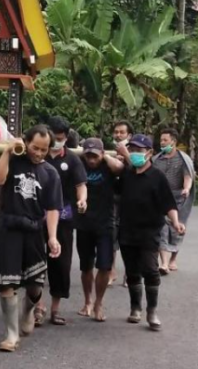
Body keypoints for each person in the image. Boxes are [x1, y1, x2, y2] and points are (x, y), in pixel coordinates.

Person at [0, 125, 62, 352]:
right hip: (8, 227)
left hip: (33, 230)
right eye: (35, 148)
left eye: (43, 149)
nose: (38, 153)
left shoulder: (50, 173)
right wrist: (6, 152)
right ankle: (11, 335)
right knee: (7, 282)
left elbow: (52, 208)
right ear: (26, 142)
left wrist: (52, 237)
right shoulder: (14, 160)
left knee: (34, 286)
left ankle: (29, 309)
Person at [115, 134, 185, 331]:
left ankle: (152, 311)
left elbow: (169, 203)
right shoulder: (127, 174)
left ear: (149, 153)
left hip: (149, 232)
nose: (136, 153)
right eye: (133, 150)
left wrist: (176, 222)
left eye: (139, 150)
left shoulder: (157, 177)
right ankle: (135, 308)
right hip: (127, 231)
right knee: (132, 272)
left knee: (151, 270)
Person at [42, 116, 87, 326]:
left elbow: (81, 184)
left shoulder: (72, 159)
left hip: (64, 217)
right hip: (35, 216)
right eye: (53, 137)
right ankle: (36, 307)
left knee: (60, 262)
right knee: (35, 261)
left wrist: (82, 200)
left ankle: (55, 308)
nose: (56, 141)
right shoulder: (36, 156)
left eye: (59, 138)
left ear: (66, 138)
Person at [75, 138, 124, 322]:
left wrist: (106, 156)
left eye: (94, 155)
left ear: (101, 154)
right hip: (84, 223)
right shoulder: (79, 164)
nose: (91, 159)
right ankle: (87, 301)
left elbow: (120, 168)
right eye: (88, 155)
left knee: (104, 266)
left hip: (105, 223)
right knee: (86, 266)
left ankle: (99, 302)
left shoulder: (108, 166)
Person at [153, 128, 194, 274]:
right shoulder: (157, 160)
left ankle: (173, 259)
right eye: (161, 140)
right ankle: (163, 263)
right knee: (162, 228)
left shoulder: (183, 159)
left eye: (165, 140)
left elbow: (188, 176)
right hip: (161, 198)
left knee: (177, 228)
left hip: (178, 197)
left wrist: (186, 188)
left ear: (173, 141)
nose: (162, 143)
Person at [109, 120, 135, 286]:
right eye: (116, 132)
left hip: (129, 202)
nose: (118, 135)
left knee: (128, 238)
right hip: (111, 200)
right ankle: (111, 271)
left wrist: (126, 155)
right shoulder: (108, 150)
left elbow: (140, 171)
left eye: (122, 132)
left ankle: (129, 274)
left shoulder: (137, 152)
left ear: (129, 135)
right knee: (110, 235)